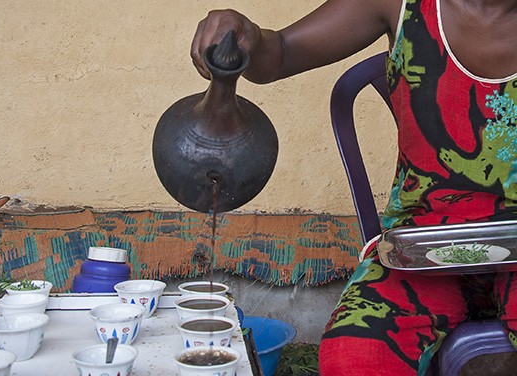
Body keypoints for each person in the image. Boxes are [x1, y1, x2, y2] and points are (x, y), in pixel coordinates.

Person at [191, 0, 517, 375]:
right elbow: (280, 52)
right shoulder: (402, 5)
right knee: (354, 355)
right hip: (421, 250)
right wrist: (243, 33)